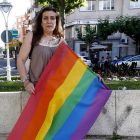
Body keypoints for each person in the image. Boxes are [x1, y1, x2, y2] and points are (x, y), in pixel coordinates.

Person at [17, 6, 104, 95]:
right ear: (41, 22)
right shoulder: (31, 36)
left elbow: (72, 64)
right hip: (37, 90)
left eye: (52, 18)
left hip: (57, 91)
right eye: (45, 18)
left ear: (56, 21)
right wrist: (26, 82)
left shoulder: (61, 41)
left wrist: (90, 76)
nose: (49, 21)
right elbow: (20, 60)